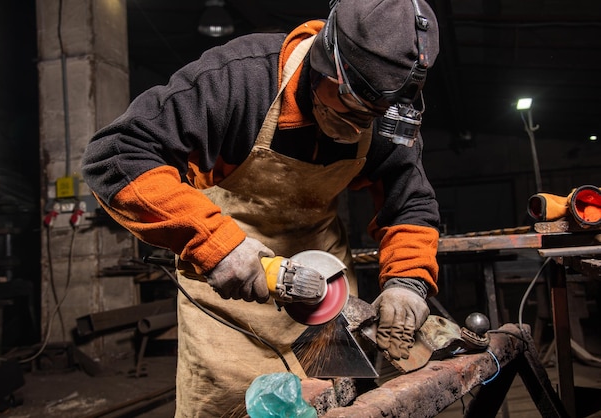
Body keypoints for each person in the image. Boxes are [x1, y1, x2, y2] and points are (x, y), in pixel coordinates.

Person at [82, 0, 441, 415]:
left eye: (374, 115)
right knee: (233, 408)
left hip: (328, 298)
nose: (361, 127)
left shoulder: (383, 118)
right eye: (353, 107)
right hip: (230, 288)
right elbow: (116, 158)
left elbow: (409, 202)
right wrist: (218, 245)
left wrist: (407, 281)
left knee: (337, 405)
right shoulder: (239, 80)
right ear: (327, 62)